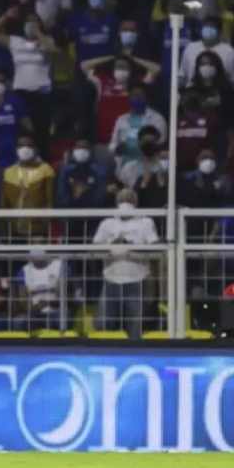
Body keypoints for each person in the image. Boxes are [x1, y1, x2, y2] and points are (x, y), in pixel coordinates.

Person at [0, 8, 56, 156]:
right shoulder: (16, 42)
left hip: (41, 95)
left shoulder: (46, 41)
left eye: (34, 21)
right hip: (21, 94)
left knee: (41, 133)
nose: (30, 24)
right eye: (28, 22)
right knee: (23, 132)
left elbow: (52, 49)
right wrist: (6, 16)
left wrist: (37, 33)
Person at [93, 188, 159, 338]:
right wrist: (112, 246)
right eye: (122, 199)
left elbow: (155, 247)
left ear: (135, 202)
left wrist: (130, 246)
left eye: (129, 199)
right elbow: (94, 249)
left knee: (135, 327)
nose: (125, 202)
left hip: (137, 280)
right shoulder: (107, 223)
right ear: (116, 202)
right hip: (111, 280)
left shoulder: (146, 221)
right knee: (103, 324)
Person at [80, 53, 160, 144]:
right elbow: (84, 66)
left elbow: (156, 69)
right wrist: (111, 56)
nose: (121, 70)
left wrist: (133, 58)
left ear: (130, 70)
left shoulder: (137, 84)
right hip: (103, 136)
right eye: (118, 66)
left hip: (128, 136)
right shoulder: (102, 82)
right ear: (113, 69)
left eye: (124, 67)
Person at [0, 135, 55, 239]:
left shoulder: (46, 170)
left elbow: (50, 201)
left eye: (29, 145)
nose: (25, 149)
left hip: (37, 227)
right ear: (16, 149)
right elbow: (4, 203)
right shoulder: (8, 172)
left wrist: (44, 222)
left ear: (35, 149)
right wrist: (5, 227)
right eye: (21, 146)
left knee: (37, 255)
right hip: (14, 228)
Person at [108, 85, 167, 168]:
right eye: (134, 95)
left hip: (149, 163)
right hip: (124, 162)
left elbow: (161, 142)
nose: (137, 98)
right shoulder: (121, 119)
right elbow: (113, 144)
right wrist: (117, 148)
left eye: (140, 95)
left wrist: (145, 145)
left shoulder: (157, 119)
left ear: (147, 98)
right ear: (129, 98)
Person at [180, 16, 234, 86]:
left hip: (219, 93)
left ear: (220, 32)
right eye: (206, 27)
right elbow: (182, 74)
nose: (208, 30)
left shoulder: (229, 52)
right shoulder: (190, 48)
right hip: (193, 92)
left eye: (211, 28)